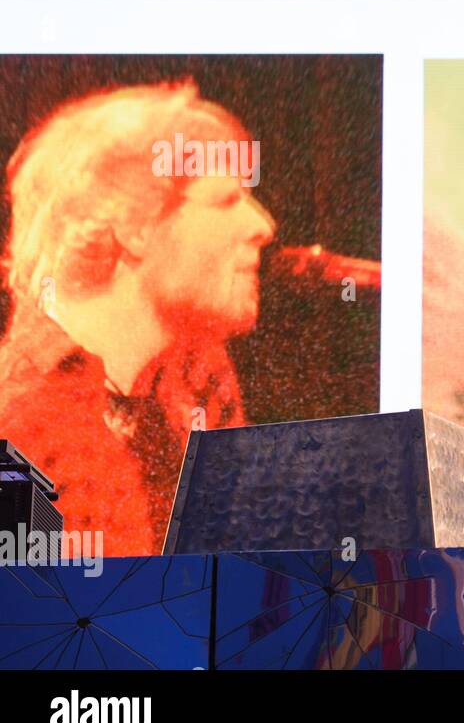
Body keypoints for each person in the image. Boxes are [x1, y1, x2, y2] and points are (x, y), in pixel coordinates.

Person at [0, 80, 275, 555]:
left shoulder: (196, 393)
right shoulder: (20, 430)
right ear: (133, 225)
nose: (263, 226)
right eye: (226, 201)